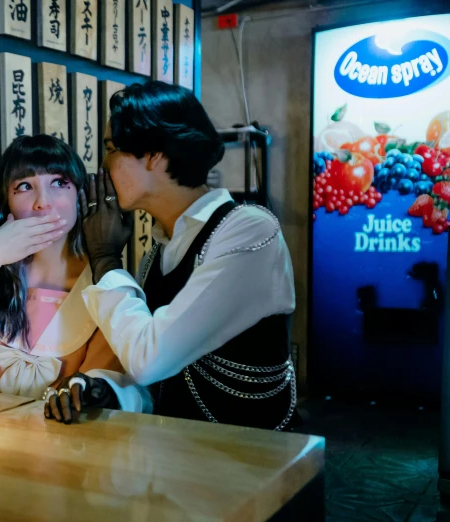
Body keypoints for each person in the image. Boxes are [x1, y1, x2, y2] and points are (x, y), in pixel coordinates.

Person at [44, 81, 299, 431]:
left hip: (255, 462)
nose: (102, 167)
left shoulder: (250, 231)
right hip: (183, 461)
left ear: (154, 154)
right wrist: (106, 390)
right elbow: (162, 381)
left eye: (110, 149)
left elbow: (150, 359)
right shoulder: (159, 254)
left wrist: (105, 258)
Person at [0, 135, 124, 414]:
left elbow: (93, 398)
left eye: (59, 183)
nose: (43, 203)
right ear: (6, 201)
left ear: (80, 194)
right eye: (24, 186)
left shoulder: (103, 279)